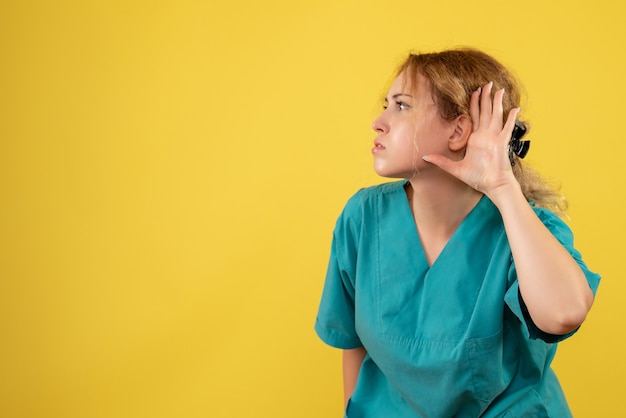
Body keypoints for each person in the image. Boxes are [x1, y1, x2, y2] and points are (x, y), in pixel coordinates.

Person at [314, 48, 600, 417]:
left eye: (401, 106)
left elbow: (564, 313)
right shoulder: (363, 217)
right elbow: (351, 343)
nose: (378, 122)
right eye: (386, 105)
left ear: (458, 130)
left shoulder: (526, 230)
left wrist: (501, 186)